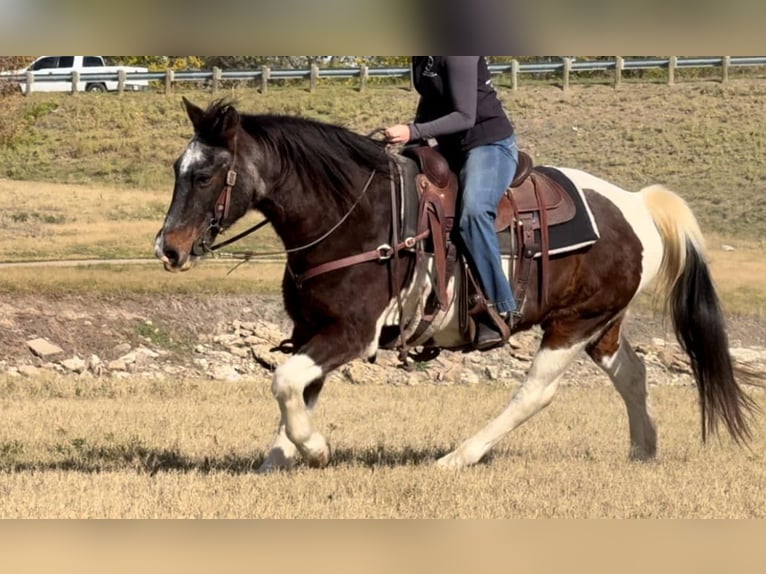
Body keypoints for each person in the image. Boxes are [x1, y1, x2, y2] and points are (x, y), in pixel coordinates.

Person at [385, 56, 519, 350]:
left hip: (489, 144)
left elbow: (464, 116)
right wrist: (408, 145)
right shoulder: (420, 56)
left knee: (473, 213)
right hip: (451, 149)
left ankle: (501, 306)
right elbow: (429, 103)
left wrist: (413, 131)